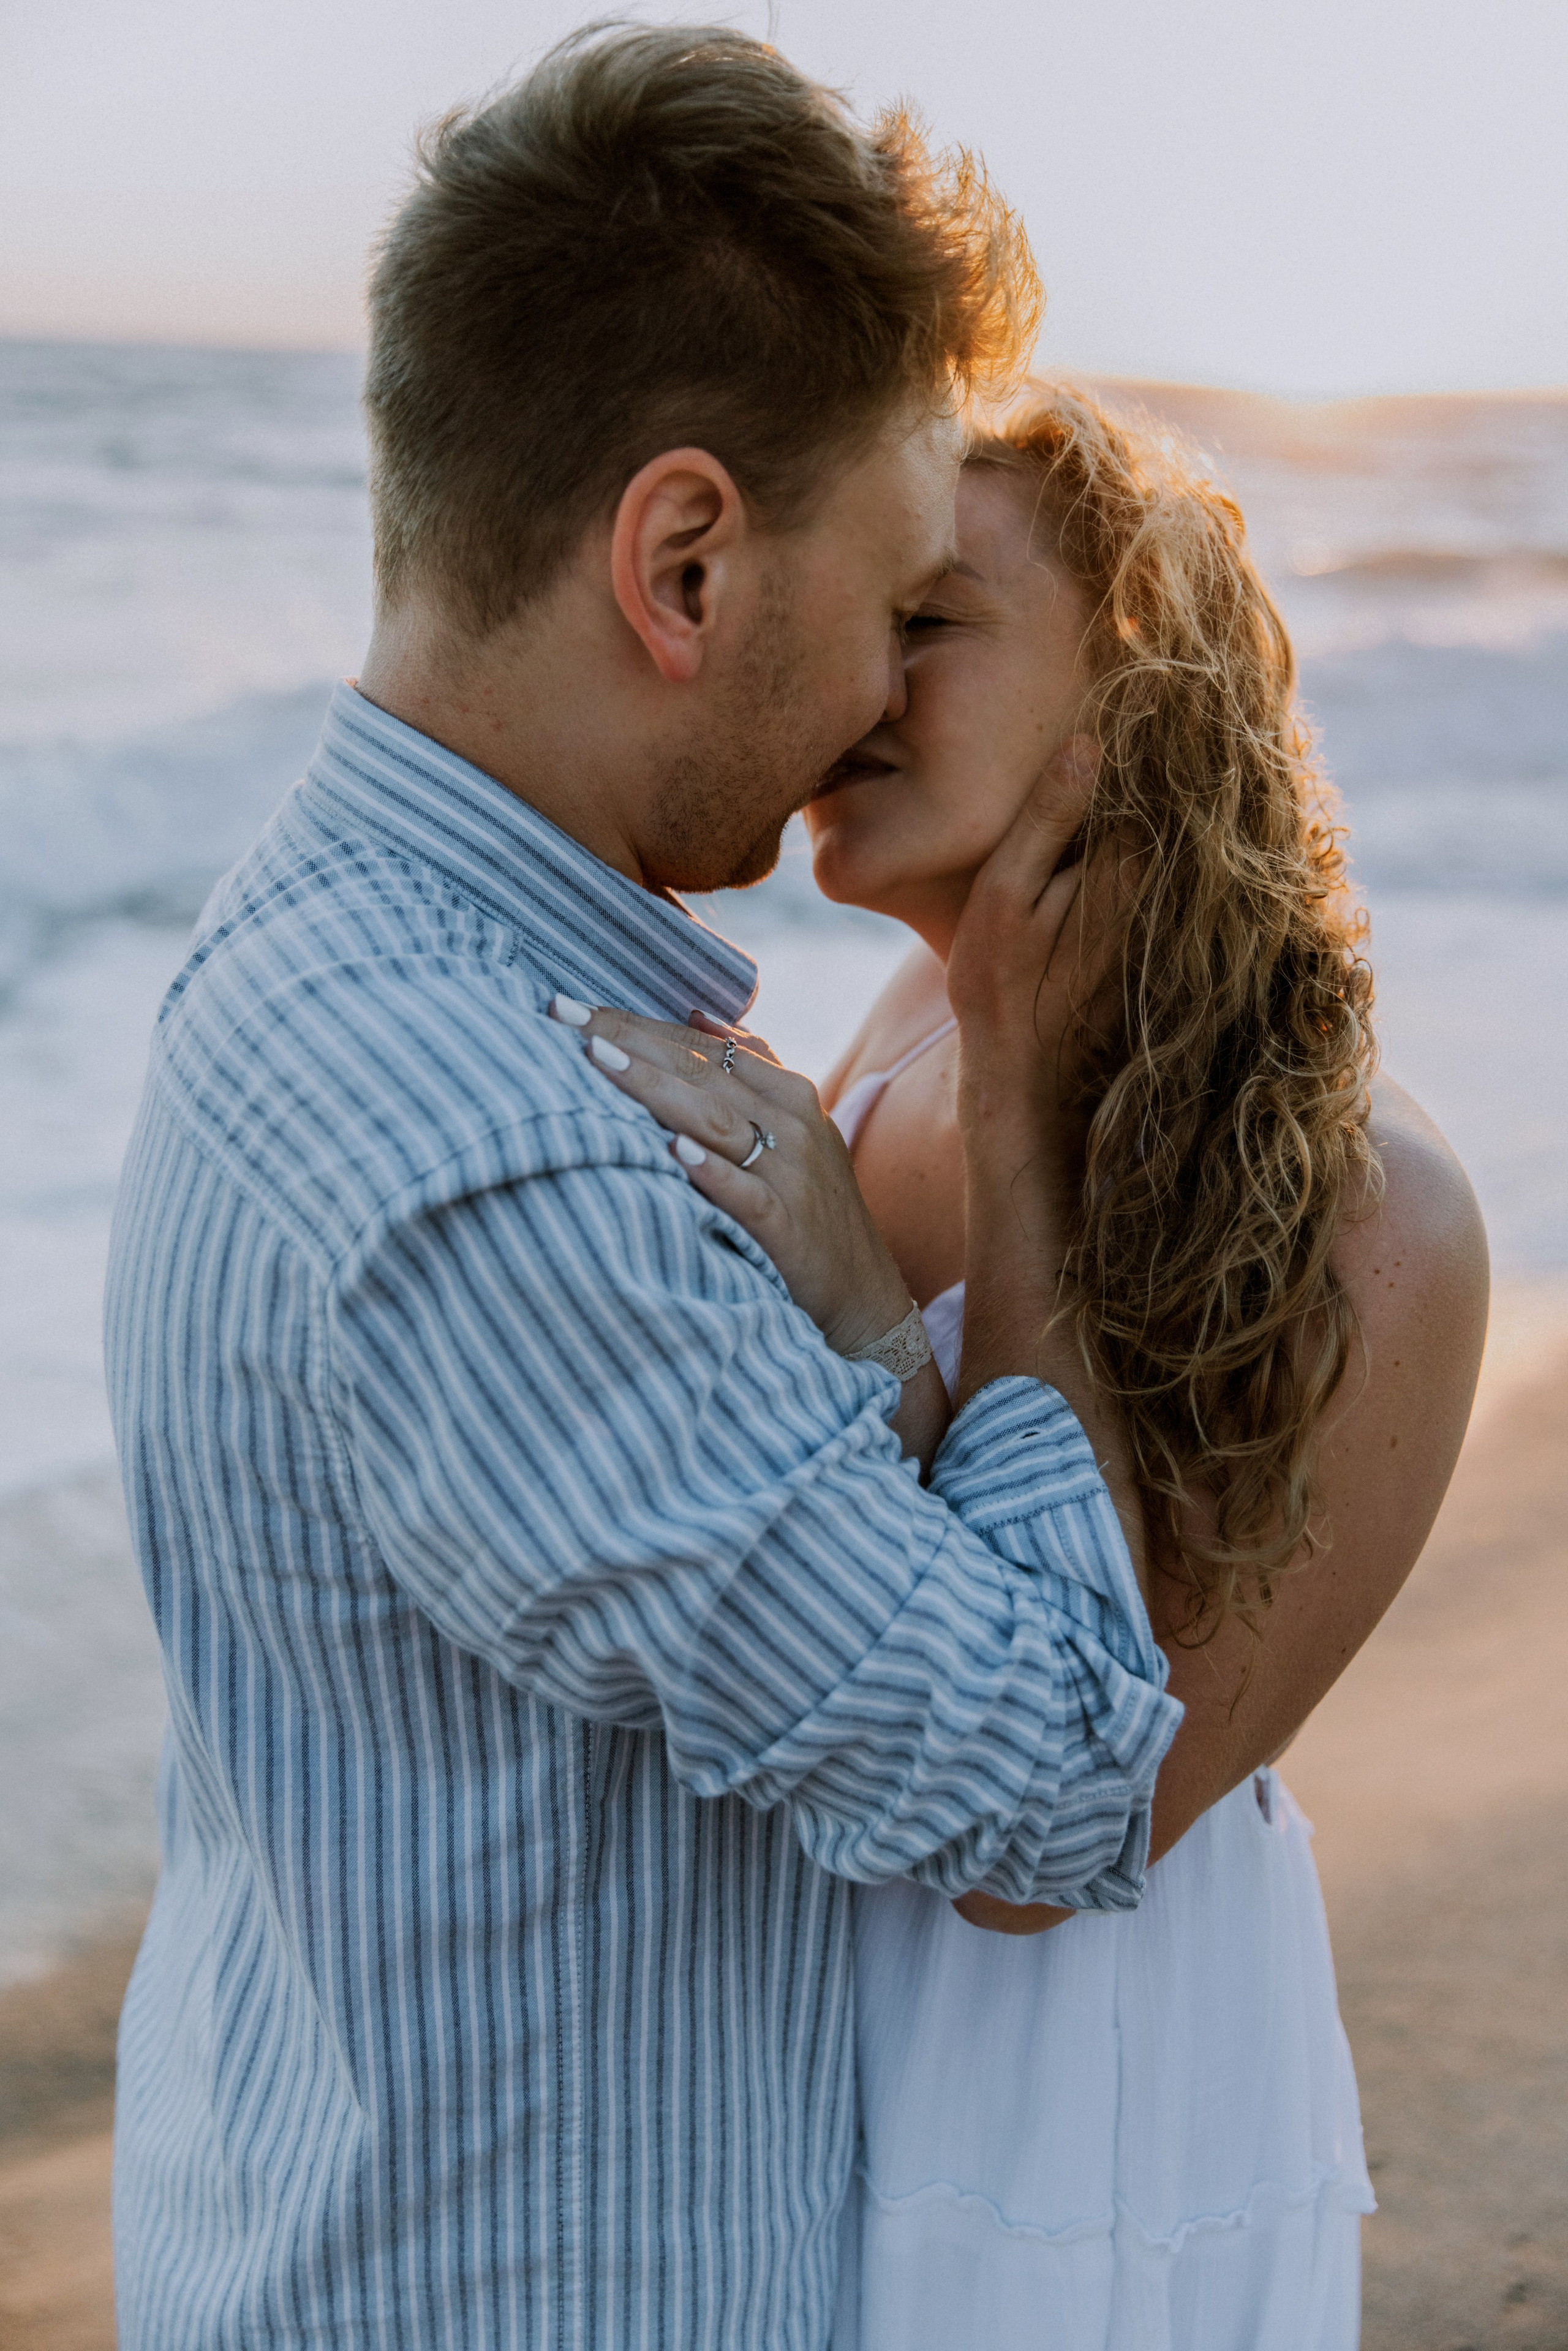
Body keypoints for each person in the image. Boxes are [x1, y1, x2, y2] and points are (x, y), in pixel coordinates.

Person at [105, 35, 1183, 2349]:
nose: (894, 697)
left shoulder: (319, 964)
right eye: (898, 605)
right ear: (683, 562)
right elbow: (1063, 1774)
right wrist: (1015, 1105)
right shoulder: (489, 1136)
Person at [790, 387, 1483, 2346]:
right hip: (812, 2013)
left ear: (1135, 684)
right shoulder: (899, 1021)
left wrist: (1013, 1126)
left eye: (929, 619)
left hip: (1086, 2114)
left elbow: (1059, 1833)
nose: (853, 668)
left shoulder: (1378, 1218)